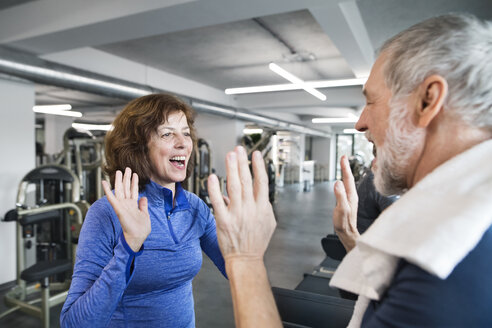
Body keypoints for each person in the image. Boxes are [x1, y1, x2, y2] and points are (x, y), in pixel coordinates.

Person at [207, 13, 492, 327]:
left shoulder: (449, 259)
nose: (360, 123)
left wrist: (245, 260)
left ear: (428, 101)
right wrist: (350, 237)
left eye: (371, 101)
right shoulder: (455, 216)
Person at [61, 94, 226, 327]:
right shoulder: (107, 213)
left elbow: (236, 271)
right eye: (167, 133)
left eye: (186, 133)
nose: (183, 143)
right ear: (139, 148)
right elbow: (73, 322)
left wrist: (244, 244)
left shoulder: (194, 206)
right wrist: (129, 247)